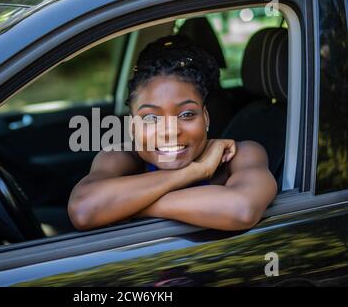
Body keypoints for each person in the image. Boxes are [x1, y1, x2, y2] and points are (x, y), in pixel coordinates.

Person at [68, 35, 277, 231]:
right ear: (133, 127)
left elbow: (242, 209)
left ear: (205, 117)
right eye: (150, 118)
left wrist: (125, 207)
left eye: (186, 114)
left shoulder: (241, 155)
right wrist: (196, 171)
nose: (169, 131)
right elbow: (84, 210)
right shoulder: (120, 157)